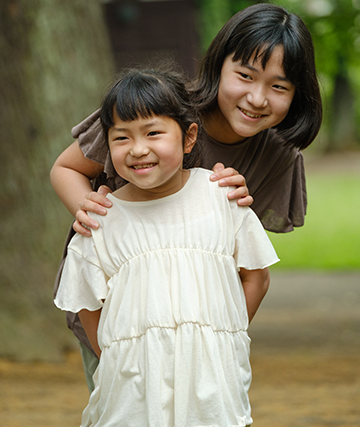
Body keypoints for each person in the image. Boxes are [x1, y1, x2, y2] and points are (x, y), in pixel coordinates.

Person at [51, 3, 322, 390]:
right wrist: (89, 208)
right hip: (118, 316)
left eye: (278, 86)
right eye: (245, 75)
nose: (258, 98)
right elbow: (66, 168)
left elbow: (245, 264)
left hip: (197, 333)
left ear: (298, 94)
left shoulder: (277, 154)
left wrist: (223, 339)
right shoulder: (157, 109)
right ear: (219, 65)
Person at [54, 67, 279, 427]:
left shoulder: (220, 196)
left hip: (212, 386)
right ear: (107, 145)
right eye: (122, 138)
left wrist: (224, 334)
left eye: (154, 133)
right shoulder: (101, 219)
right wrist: (117, 355)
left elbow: (257, 277)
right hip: (131, 393)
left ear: (189, 138)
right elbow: (86, 304)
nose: (138, 149)